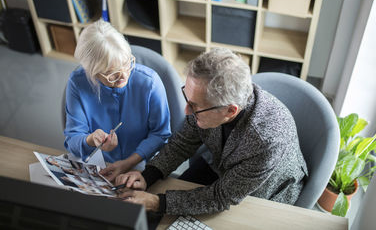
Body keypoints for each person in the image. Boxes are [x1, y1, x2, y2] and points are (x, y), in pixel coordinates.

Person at [115, 48, 308, 215]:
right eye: (187, 99)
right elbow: (182, 143)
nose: (186, 111)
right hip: (221, 164)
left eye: (194, 107)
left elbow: (222, 196)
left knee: (169, 211)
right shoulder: (205, 99)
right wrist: (149, 175)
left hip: (265, 192)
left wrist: (158, 202)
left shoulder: (266, 141)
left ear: (230, 110)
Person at [63, 20, 171, 181]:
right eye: (112, 73)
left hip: (140, 160)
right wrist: (90, 140)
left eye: (127, 63)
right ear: (92, 72)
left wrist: (128, 163)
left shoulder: (150, 83)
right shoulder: (78, 83)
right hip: (95, 159)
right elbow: (72, 139)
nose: (124, 76)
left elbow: (161, 134)